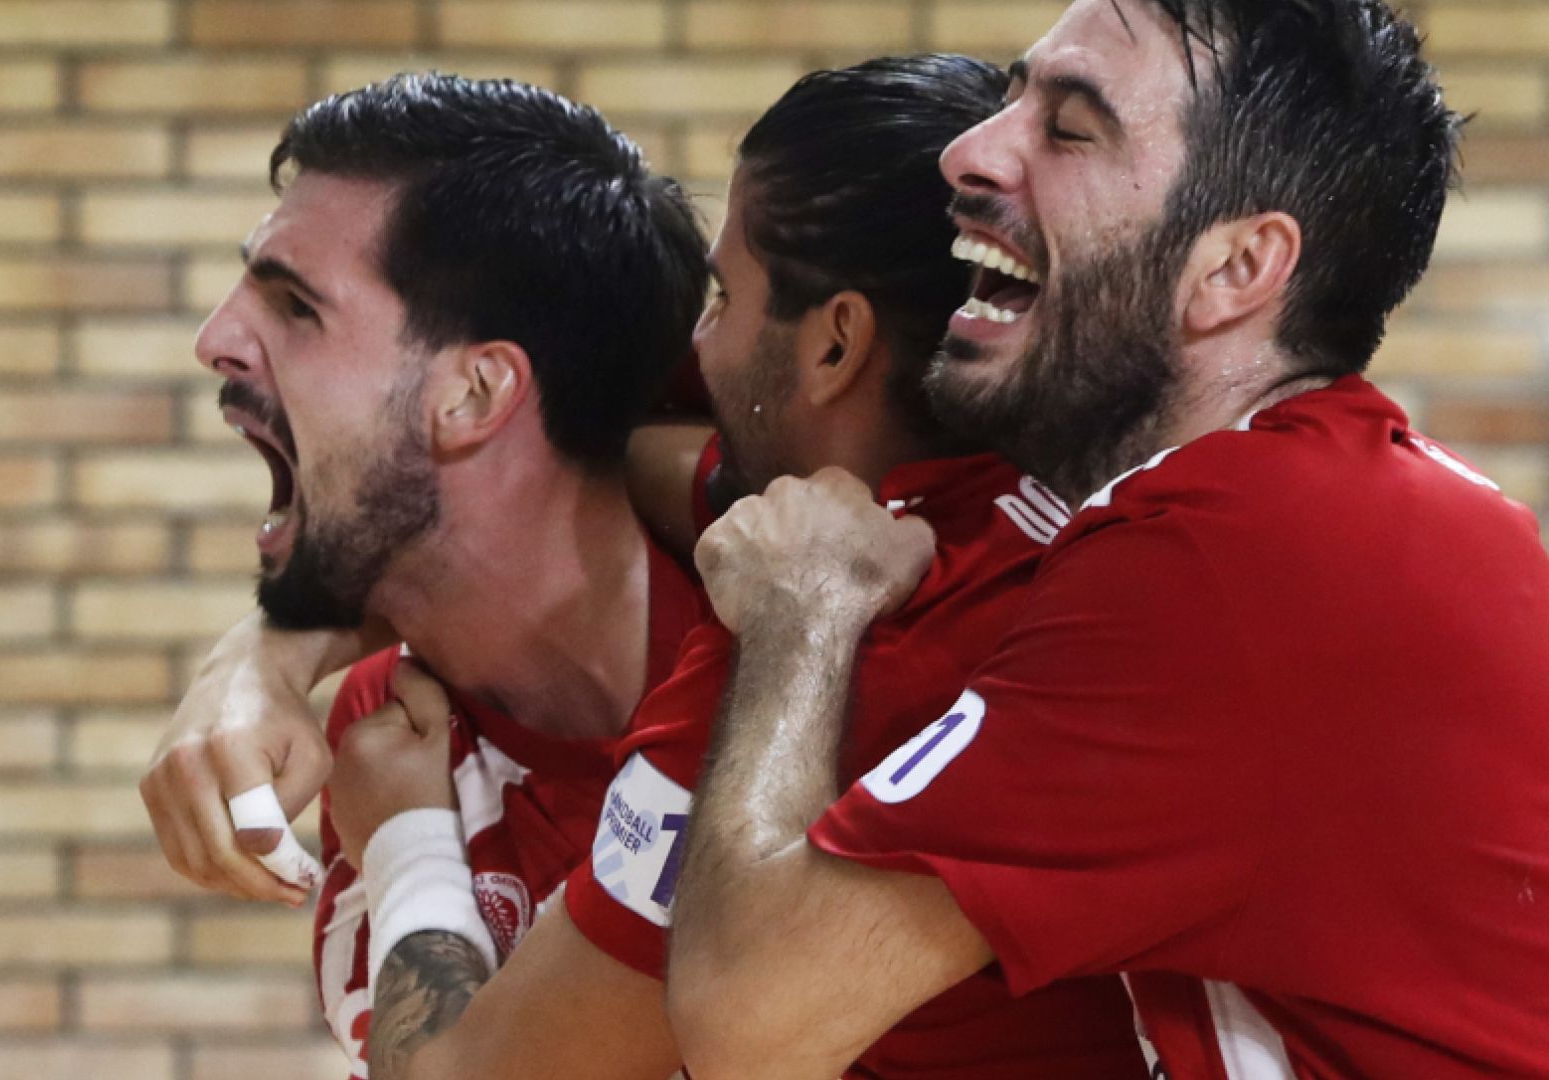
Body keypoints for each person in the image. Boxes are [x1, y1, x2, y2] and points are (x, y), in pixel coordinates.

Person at [157, 57, 1148, 1080]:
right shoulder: (1042, 509)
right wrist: (262, 658)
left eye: (296, 306)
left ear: (835, 345)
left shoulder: (832, 632)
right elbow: (597, 427)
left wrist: (408, 845)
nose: (694, 347)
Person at [666, 2, 1549, 1078]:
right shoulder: (1348, 504)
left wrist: (798, 614)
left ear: (1235, 268)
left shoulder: (1223, 559)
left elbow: (749, 1014)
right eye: (1009, 98)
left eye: (1070, 129)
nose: (967, 151)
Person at [153, 72, 713, 1073]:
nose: (215, 341)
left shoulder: (811, 651)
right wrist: (258, 660)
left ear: (474, 393)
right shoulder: (386, 740)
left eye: (295, 306)